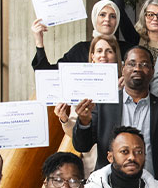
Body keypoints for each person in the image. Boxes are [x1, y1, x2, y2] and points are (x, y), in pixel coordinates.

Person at [71, 45, 158, 188]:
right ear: (123, 68)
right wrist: (83, 121)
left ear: (152, 71)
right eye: (132, 64)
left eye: (144, 64)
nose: (137, 68)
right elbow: (82, 145)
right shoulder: (103, 105)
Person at [50, 34, 121, 175]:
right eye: (99, 51)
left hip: (122, 158)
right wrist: (64, 119)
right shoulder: (81, 86)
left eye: (109, 51)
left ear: (115, 56)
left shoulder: (126, 84)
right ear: (92, 56)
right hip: (93, 163)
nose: (104, 55)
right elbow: (75, 134)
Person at [32, 0, 134, 70]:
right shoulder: (80, 50)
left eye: (112, 16)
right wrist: (39, 41)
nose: (107, 19)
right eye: (102, 14)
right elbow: (48, 73)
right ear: (94, 18)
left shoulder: (128, 51)